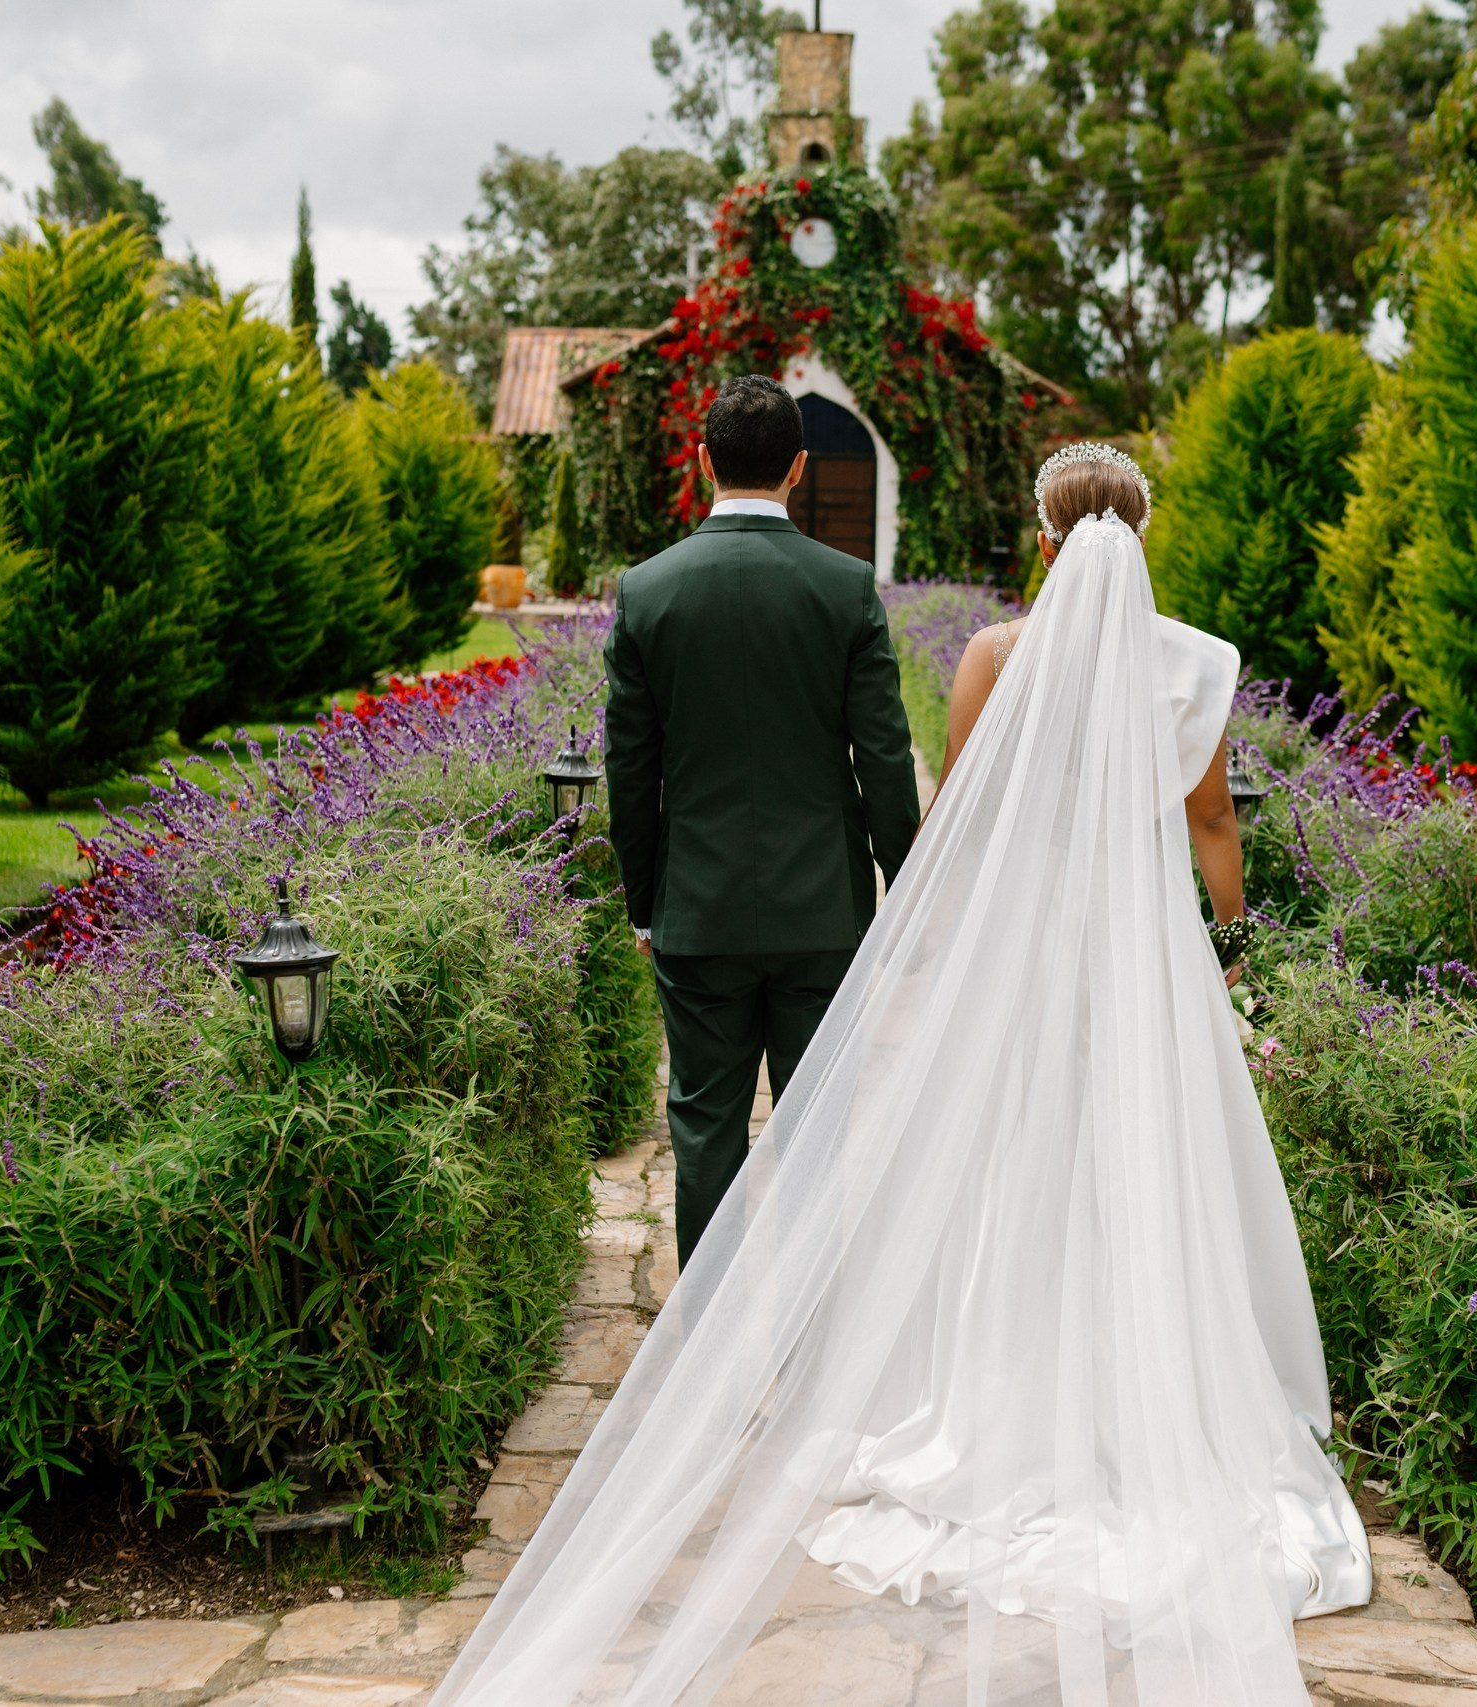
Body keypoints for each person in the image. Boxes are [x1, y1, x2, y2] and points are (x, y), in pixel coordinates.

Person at [438, 442, 1371, 1707]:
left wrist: (931, 938)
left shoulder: (995, 658)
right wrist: (1228, 941)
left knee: (1019, 1163)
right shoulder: (1191, 666)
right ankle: (1152, 1399)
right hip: (1145, 957)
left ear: (1043, 541)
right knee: (1152, 1161)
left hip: (1031, 957)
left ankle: (1001, 1405)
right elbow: (1211, 827)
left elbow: (965, 825)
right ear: (1141, 536)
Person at [602, 374, 921, 1268]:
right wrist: (906, 884)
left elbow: (632, 767)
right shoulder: (846, 587)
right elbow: (885, 760)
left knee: (704, 1127)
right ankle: (811, 1337)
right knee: (818, 1126)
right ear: (799, 468)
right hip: (823, 909)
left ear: (703, 462)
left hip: (696, 909)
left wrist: (643, 900)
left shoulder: (648, 591)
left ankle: (710, 1333)